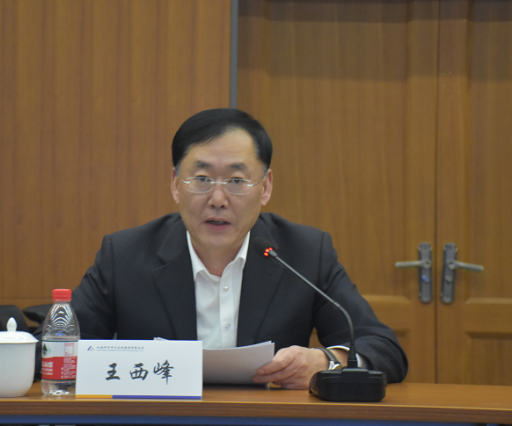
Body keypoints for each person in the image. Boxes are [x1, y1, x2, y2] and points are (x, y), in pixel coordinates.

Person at [64, 108, 407, 389]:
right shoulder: (124, 255)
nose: (218, 199)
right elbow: (59, 347)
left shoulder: (303, 253)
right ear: (175, 185)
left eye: (236, 181)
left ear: (265, 187)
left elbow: (383, 349)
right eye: (202, 179)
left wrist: (327, 362)